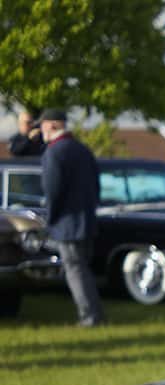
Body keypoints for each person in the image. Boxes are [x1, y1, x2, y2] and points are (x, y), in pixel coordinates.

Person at [39, 110, 103, 326]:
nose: (41, 131)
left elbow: (52, 191)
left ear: (52, 126)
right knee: (83, 269)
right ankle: (94, 314)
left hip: (67, 223)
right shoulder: (83, 150)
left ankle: (89, 317)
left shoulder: (54, 152)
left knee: (75, 271)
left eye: (43, 126)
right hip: (87, 221)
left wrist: (51, 219)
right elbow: (96, 186)